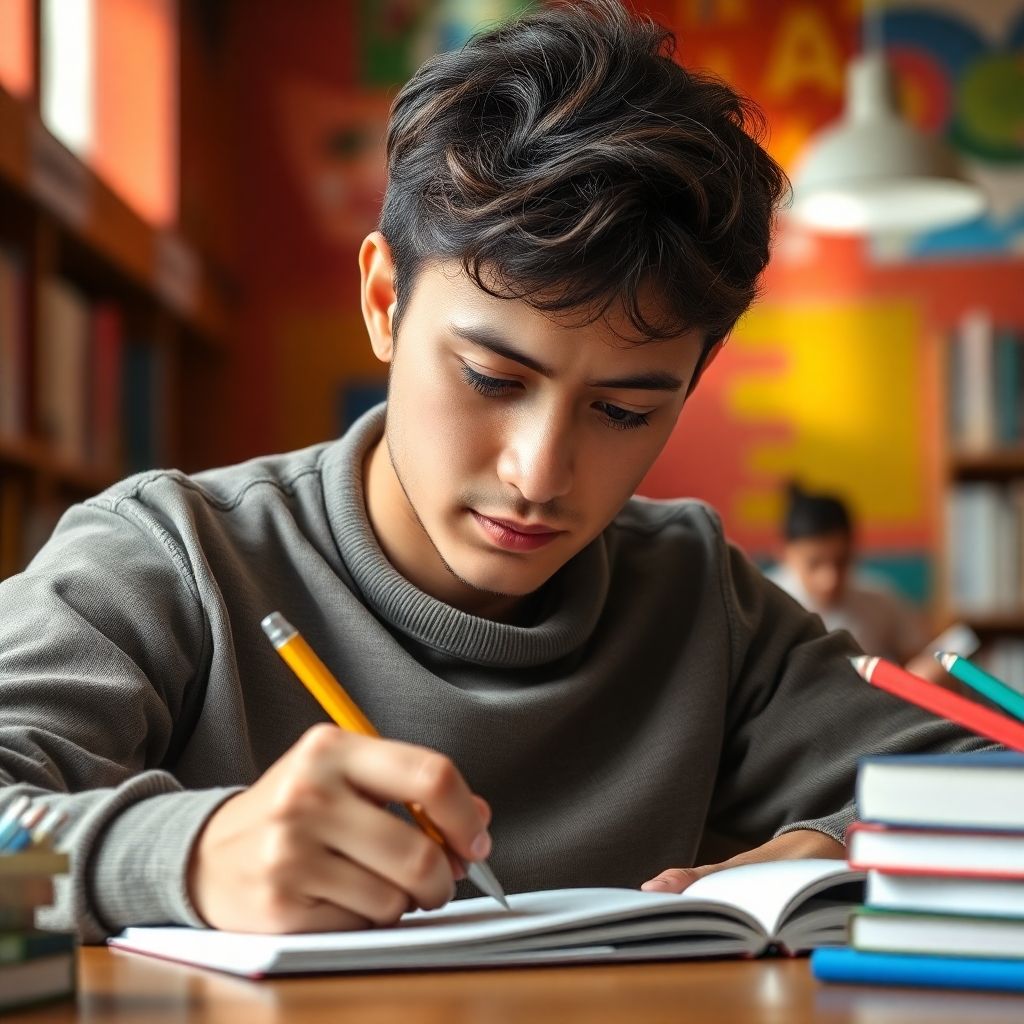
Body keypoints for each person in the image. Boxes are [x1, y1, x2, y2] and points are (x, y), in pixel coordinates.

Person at [0, 0, 984, 942]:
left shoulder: (693, 596)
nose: (539, 471)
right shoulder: (168, 560)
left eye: (623, 411)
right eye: (490, 377)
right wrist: (185, 859)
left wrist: (834, 845)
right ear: (385, 299)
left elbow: (990, 783)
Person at [766, 484, 951, 684]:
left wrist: (927, 670)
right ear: (783, 553)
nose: (830, 579)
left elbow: (917, 656)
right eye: (814, 563)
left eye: (842, 561)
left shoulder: (879, 599)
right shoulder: (766, 603)